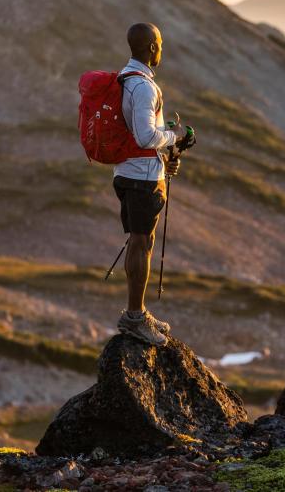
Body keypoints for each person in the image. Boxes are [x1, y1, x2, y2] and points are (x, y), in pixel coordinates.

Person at [114, 23, 183, 346]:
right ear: (152, 48)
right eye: (161, 44)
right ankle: (135, 318)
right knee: (141, 243)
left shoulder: (125, 79)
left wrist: (165, 144)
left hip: (127, 171)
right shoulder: (143, 87)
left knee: (140, 241)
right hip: (142, 177)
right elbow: (145, 136)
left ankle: (138, 310)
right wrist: (172, 137)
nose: (162, 49)